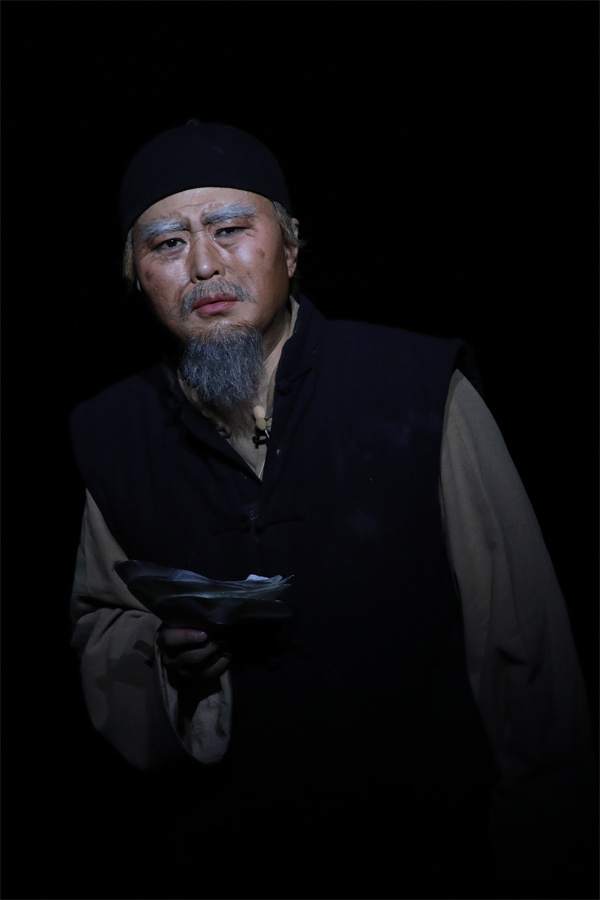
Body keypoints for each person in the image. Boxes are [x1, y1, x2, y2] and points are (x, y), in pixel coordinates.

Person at [69, 121, 595, 900]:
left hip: (433, 852)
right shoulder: (113, 434)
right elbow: (103, 623)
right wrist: (166, 659)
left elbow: (523, 639)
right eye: (168, 243)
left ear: (289, 247)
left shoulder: (418, 388)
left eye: (230, 229)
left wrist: (548, 847)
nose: (204, 265)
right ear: (137, 276)